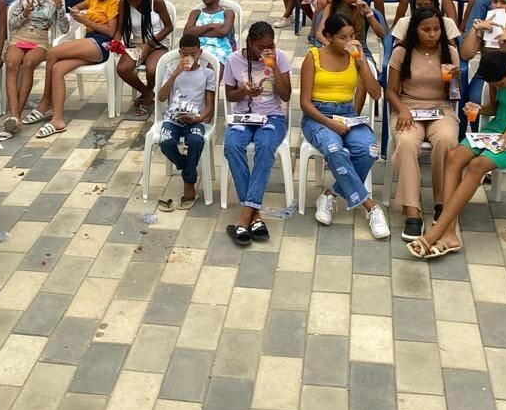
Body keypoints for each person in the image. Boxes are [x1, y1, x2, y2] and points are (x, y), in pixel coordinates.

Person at [409, 51, 506, 259]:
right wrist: (479, 110)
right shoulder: (495, 79)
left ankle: (434, 233)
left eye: (500, 84)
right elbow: (495, 107)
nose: (497, 87)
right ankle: (450, 233)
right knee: (454, 157)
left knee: (477, 165)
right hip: (496, 130)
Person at [301, 12, 387, 232]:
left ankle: (330, 194)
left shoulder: (356, 58)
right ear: (329, 37)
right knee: (335, 149)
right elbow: (305, 104)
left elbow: (376, 94)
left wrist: (362, 62)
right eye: (343, 37)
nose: (349, 42)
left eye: (352, 36)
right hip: (318, 115)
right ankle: (371, 207)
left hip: (347, 114)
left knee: (369, 149)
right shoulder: (313, 57)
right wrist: (331, 124)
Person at [385, 7, 460, 238]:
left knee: (447, 140)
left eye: (437, 29)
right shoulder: (402, 52)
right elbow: (390, 91)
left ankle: (441, 202)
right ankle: (411, 211)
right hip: (408, 106)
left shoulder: (449, 51)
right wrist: (402, 109)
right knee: (406, 143)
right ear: (415, 30)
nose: (432, 34)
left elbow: (454, 94)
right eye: (426, 29)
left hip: (439, 106)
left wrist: (455, 80)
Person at [24, 0, 119, 138]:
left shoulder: (113, 2)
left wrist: (85, 20)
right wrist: (74, 11)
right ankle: (57, 119)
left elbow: (111, 31)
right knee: (58, 69)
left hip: (102, 43)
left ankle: (46, 100)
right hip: (89, 42)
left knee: (52, 52)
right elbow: (77, 7)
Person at [223, 21, 292, 244]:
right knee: (232, 145)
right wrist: (244, 90)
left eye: (270, 45)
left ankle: (245, 217)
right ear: (249, 43)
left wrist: (274, 68)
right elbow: (229, 97)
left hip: (272, 117)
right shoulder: (233, 60)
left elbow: (286, 95)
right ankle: (255, 214)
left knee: (264, 147)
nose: (266, 50)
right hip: (244, 116)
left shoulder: (279, 57)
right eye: (261, 47)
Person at [1, 0, 68, 136]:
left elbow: (64, 28)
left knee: (29, 63)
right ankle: (15, 117)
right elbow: (11, 24)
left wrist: (59, 5)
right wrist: (25, 14)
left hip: (40, 38)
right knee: (11, 64)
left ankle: (16, 113)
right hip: (20, 35)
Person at [157, 33, 218, 209]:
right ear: (180, 53)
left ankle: (188, 181)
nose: (189, 58)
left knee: (195, 140)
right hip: (173, 118)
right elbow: (161, 97)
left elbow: (210, 105)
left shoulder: (207, 73)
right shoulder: (171, 70)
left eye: (193, 54)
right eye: (185, 55)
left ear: (200, 52)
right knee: (166, 142)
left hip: (195, 119)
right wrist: (175, 73)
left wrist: (201, 117)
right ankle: (188, 171)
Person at [116, 0, 174, 115]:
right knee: (122, 69)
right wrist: (116, 41)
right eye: (131, 0)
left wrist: (149, 45)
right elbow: (120, 29)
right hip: (136, 43)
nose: (134, 3)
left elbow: (168, 27)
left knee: (152, 70)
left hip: (158, 43)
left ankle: (146, 92)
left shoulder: (156, 1)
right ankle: (148, 94)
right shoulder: (124, 2)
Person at [183, 0, 236, 64]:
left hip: (220, 49)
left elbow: (223, 32)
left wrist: (196, 31)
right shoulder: (196, 12)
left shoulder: (228, 13)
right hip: (195, 50)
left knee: (215, 67)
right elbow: (186, 33)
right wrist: (210, 26)